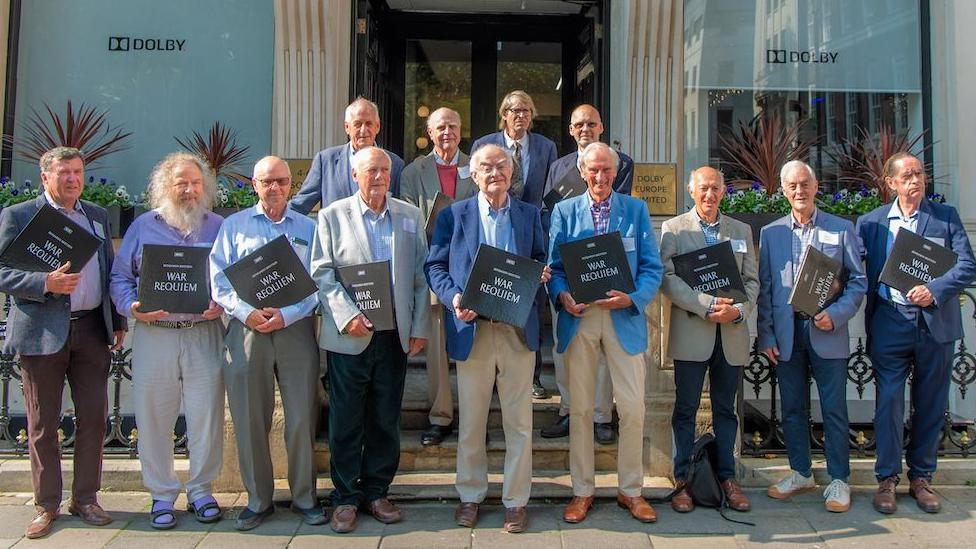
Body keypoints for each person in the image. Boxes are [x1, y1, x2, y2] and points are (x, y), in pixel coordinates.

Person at [0, 146, 126, 539]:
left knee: (93, 418)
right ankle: (46, 505)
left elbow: (108, 270)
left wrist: (117, 321)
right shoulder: (20, 216)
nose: (72, 179)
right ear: (45, 177)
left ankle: (86, 499)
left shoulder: (97, 216)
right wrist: (44, 283)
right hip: (41, 331)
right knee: (42, 424)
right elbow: (2, 270)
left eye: (77, 172)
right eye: (64, 173)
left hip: (90, 330)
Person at [425, 143, 549, 533]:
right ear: (473, 175)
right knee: (472, 421)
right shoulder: (454, 215)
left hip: (516, 331)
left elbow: (543, 260)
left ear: (512, 175)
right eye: (486, 167)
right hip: (472, 329)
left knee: (519, 422)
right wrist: (454, 297)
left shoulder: (531, 214)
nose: (495, 171)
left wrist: (541, 275)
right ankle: (470, 495)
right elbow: (435, 266)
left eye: (502, 166)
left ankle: (516, 501)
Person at [311, 146, 429, 534]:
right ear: (354, 175)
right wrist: (347, 318)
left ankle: (377, 491)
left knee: (384, 417)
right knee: (346, 419)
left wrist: (419, 327)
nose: (379, 177)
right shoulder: (331, 216)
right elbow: (322, 274)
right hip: (350, 336)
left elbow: (419, 278)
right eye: (371, 171)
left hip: (393, 335)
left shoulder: (409, 217)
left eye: (384, 170)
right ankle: (344, 498)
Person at [109, 152, 225, 529]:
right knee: (153, 417)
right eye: (181, 183)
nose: (190, 190)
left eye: (196, 183)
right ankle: (160, 494)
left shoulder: (219, 226)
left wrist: (220, 304)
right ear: (165, 187)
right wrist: (132, 307)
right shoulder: (143, 226)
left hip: (203, 332)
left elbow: (233, 277)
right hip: (155, 334)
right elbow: (119, 278)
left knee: (206, 415)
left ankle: (201, 490)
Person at [548, 142, 663, 524]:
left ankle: (631, 490)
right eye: (593, 170)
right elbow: (554, 267)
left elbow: (652, 268)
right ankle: (582, 490)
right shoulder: (564, 212)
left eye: (606, 171)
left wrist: (632, 298)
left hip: (623, 319)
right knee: (580, 409)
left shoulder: (635, 210)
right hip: (581, 318)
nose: (600, 177)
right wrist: (562, 295)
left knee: (631, 408)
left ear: (616, 173)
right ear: (582, 172)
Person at [856, 152, 976, 514]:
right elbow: (850, 266)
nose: (915, 181)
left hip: (934, 323)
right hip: (890, 320)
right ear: (890, 182)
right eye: (907, 176)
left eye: (919, 174)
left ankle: (922, 478)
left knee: (931, 402)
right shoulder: (871, 223)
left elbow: (967, 265)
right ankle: (887, 479)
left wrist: (935, 289)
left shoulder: (945, 217)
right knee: (889, 402)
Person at [210, 156, 324, 530]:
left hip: (296, 329)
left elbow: (320, 281)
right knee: (248, 416)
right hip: (247, 331)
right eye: (266, 182)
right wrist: (246, 313)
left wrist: (287, 315)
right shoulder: (233, 226)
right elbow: (219, 281)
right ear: (254, 186)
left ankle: (305, 497)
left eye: (281, 181)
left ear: (291, 185)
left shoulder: (310, 227)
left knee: (302, 416)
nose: (274, 188)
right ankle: (258, 500)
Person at [757, 160, 866, 513]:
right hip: (789, 335)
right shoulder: (771, 233)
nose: (799, 191)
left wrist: (834, 316)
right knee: (792, 409)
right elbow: (766, 290)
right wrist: (767, 335)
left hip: (826, 331)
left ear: (816, 186)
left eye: (805, 184)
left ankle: (838, 480)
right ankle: (801, 472)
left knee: (833, 409)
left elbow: (858, 282)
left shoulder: (840, 228)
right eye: (792, 186)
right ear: (783, 191)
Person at [659, 166, 759, 513]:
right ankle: (683, 479)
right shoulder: (673, 229)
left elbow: (752, 282)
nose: (709, 194)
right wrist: (705, 305)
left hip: (730, 334)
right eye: (703, 188)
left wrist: (739, 311)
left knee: (725, 411)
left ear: (723, 191)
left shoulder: (740, 230)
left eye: (715, 188)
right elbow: (667, 279)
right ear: (691, 190)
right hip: (692, 331)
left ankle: (728, 477)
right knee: (685, 409)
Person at [540, 103, 634, 442]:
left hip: (606, 265)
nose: (585, 129)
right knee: (564, 344)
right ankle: (568, 409)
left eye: (591, 123)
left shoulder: (620, 162)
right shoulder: (558, 166)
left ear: (602, 126)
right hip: (567, 265)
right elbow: (549, 211)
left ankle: (601, 415)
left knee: (604, 347)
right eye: (579, 124)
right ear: (569, 129)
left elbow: (614, 202)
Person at [471, 90, 558, 399]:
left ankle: (531, 375)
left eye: (527, 111)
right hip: (492, 227)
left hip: (527, 230)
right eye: (515, 110)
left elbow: (550, 191)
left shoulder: (546, 147)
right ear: (504, 114)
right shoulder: (484, 145)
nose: (521, 115)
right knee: (491, 295)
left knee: (531, 301)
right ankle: (490, 373)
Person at [399, 107, 477, 446]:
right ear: (430, 133)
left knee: (474, 348)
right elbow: (405, 216)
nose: (448, 133)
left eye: (454, 126)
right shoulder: (414, 170)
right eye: (441, 127)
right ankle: (440, 416)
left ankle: (474, 419)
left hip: (471, 267)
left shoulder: (476, 165)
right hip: (433, 265)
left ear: (461, 131)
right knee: (437, 349)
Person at [290, 97, 405, 213]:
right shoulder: (326, 161)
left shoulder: (395, 164)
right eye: (358, 124)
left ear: (377, 127)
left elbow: (401, 210)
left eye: (369, 124)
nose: (363, 130)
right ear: (347, 127)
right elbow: (300, 205)